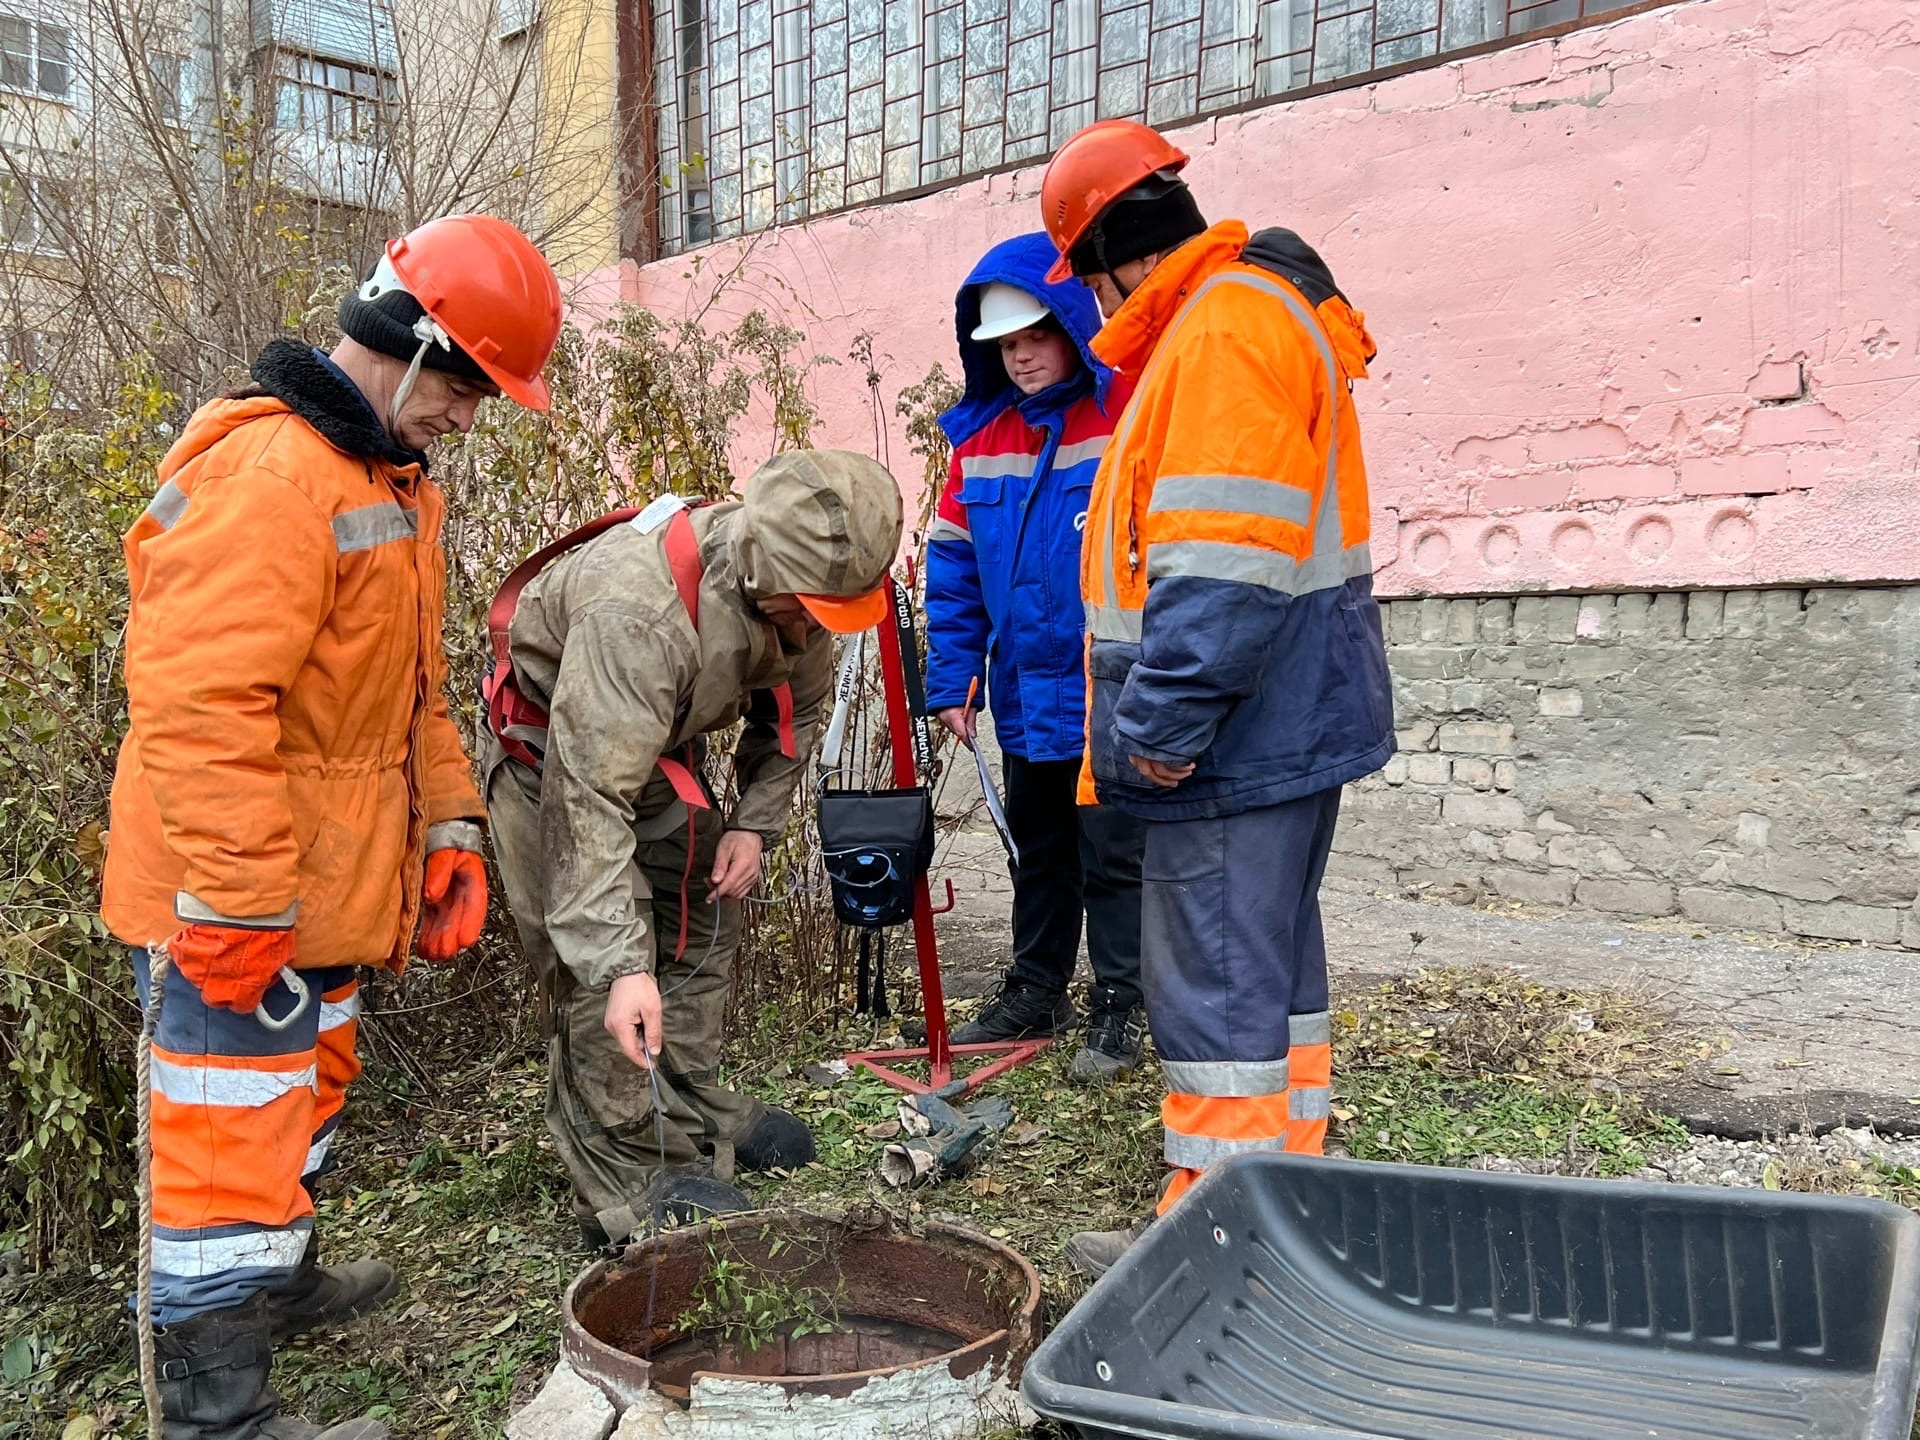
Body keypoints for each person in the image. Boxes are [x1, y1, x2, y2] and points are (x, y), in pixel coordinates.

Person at [102, 215, 563, 1438]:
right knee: (224, 1150)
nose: (469, 417)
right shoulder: (272, 478)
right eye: (468, 386)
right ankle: (218, 1416)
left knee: (299, 1103)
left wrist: (452, 827)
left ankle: (275, 1278)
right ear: (412, 347)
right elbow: (199, 712)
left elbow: (406, 697)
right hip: (233, 896)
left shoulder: (386, 482)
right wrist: (245, 902)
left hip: (322, 888)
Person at [1037, 121, 1395, 1276]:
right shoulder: (1248, 316)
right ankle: (1287, 1201)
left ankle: (1217, 1242)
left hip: (1232, 734)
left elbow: (1220, 567)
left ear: (1115, 258)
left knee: (1220, 991)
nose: (1090, 307)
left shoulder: (1224, 330)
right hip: (1281, 719)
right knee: (1274, 980)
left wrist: (1155, 732)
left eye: (1087, 280)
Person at [482, 450, 905, 1250]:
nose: (819, 627)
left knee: (701, 917)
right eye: (809, 608)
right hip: (554, 767)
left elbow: (797, 710)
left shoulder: (808, 594)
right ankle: (630, 1176)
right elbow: (588, 799)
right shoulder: (636, 614)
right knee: (596, 974)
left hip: (650, 762)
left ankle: (687, 1103)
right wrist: (619, 966)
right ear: (761, 566)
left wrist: (753, 823)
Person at [923, 232, 1147, 1082]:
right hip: (1022, 689)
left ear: (1070, 326)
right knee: (1040, 847)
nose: (1020, 358)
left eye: (1034, 338)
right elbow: (952, 571)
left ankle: (1123, 1003)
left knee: (1114, 853)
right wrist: (953, 678)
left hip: (1109, 689)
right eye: (1005, 345)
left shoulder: (1125, 415)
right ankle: (1037, 988)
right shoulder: (979, 443)